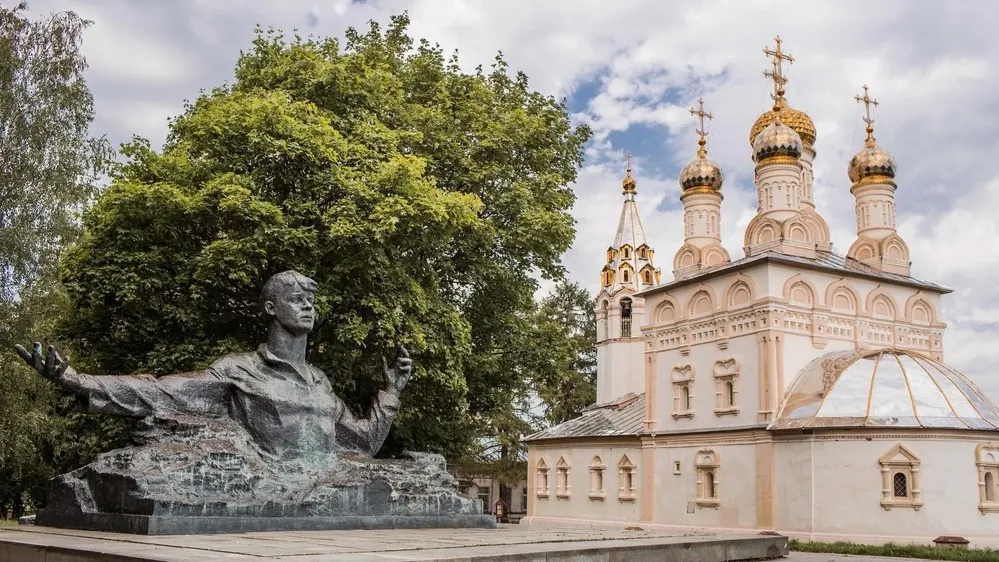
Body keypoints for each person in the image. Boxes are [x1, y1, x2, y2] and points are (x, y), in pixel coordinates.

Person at [14, 270, 412, 460]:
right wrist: (78, 381)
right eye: (297, 299)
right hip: (268, 484)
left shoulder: (320, 382)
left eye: (311, 301)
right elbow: (160, 389)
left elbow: (362, 444)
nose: (308, 306)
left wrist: (391, 391)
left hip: (325, 487)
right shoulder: (240, 371)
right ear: (271, 308)